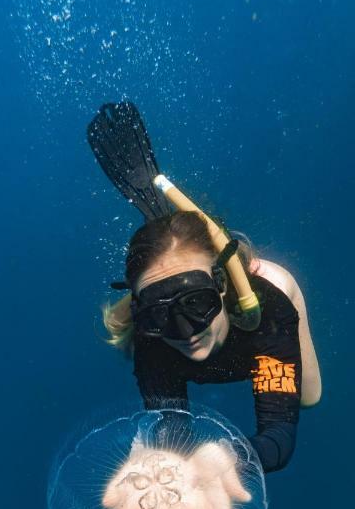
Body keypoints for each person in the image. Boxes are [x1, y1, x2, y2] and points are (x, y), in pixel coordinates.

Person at [88, 102, 322, 474]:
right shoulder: (153, 341)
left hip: (256, 322)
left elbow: (279, 436)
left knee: (308, 397)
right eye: (158, 313)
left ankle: (254, 271)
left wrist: (227, 459)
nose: (185, 331)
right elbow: (172, 430)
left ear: (223, 286)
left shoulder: (269, 315)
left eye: (195, 302)